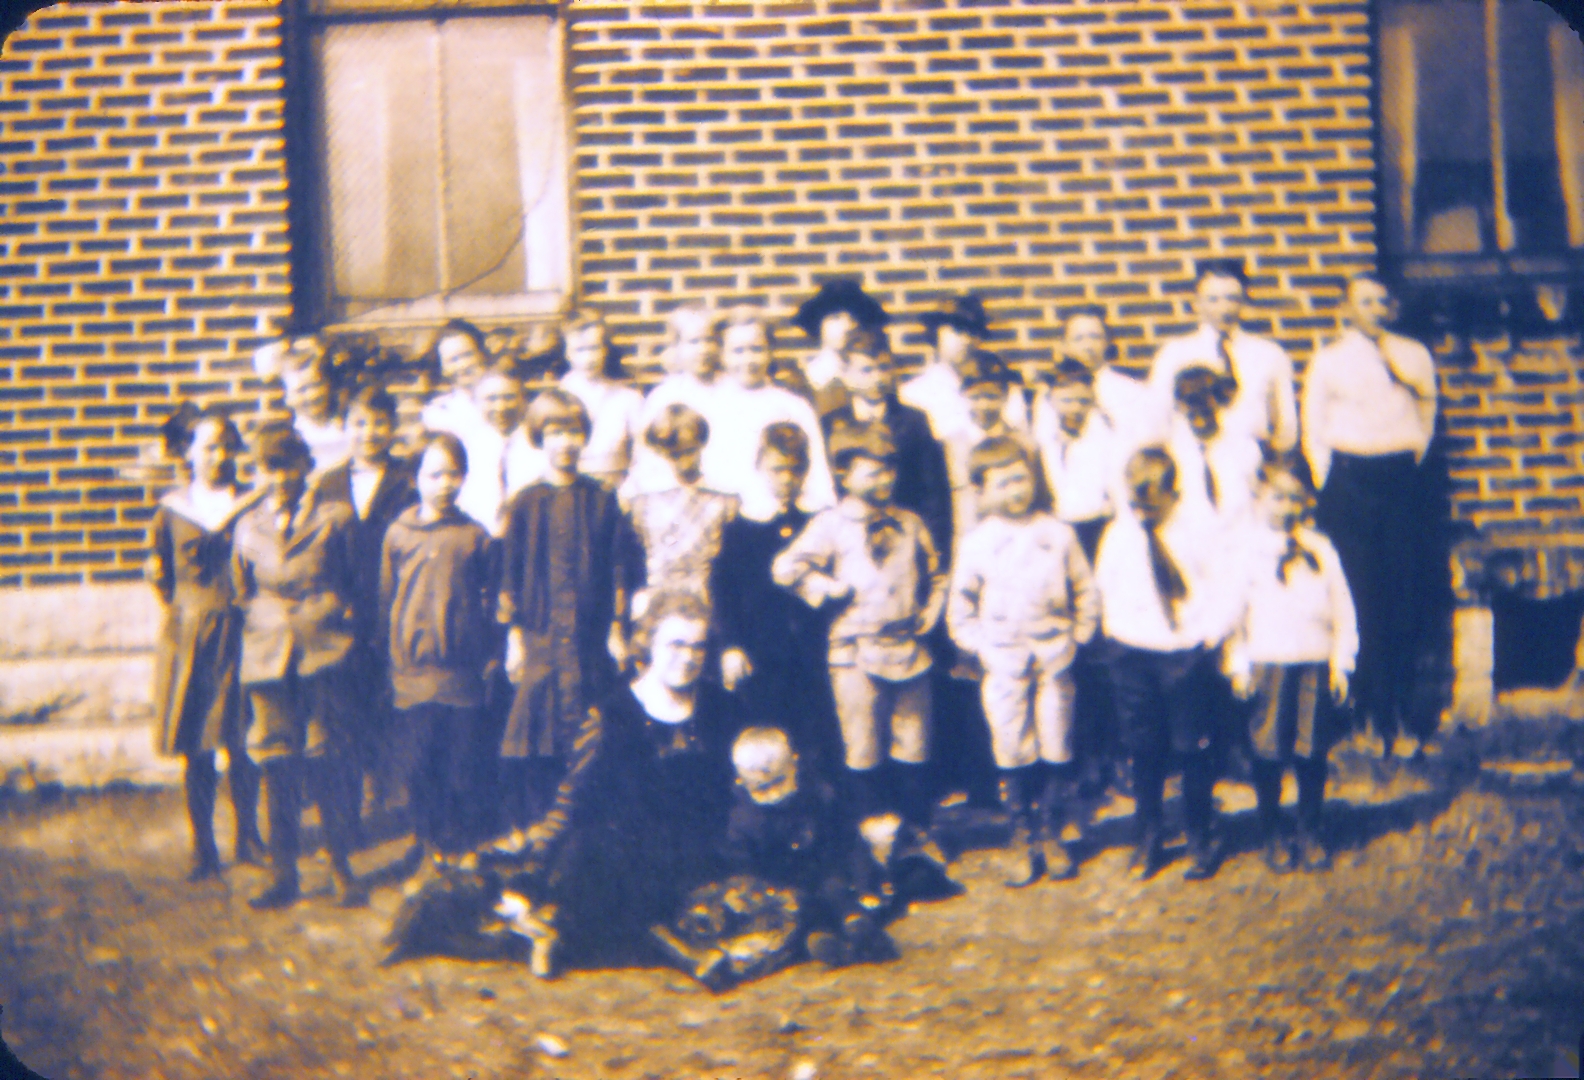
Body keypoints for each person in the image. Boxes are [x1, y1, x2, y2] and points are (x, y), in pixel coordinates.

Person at [484, 592, 738, 979]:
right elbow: (572, 800)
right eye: (676, 644)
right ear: (647, 643)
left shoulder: (721, 707)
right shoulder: (612, 714)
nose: (688, 658)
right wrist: (533, 871)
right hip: (629, 856)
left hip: (697, 855)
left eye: (698, 648)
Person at [772, 425, 950, 864]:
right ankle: (873, 838)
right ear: (844, 474)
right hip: (854, 652)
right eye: (872, 473)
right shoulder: (831, 524)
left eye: (889, 472)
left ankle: (916, 831)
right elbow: (784, 567)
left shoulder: (909, 522)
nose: (883, 481)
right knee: (863, 745)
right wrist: (825, 586)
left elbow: (939, 572)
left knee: (914, 743)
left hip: (909, 648)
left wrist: (933, 609)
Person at [947, 437, 1100, 886]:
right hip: (1004, 658)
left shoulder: (1058, 533)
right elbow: (961, 608)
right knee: (1012, 743)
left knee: (1055, 740)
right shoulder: (977, 543)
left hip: (1054, 653)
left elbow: (1085, 589)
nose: (1017, 490)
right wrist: (983, 648)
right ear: (982, 491)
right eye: (1004, 482)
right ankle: (1021, 834)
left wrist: (1080, 634)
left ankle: (1052, 830)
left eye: (1023, 478)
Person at [1301, 272, 1438, 760]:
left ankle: (1398, 711)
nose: (1377, 309)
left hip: (1400, 479)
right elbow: (1313, 428)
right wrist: (1331, 482)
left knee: (1403, 592)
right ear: (1347, 308)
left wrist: (1409, 458)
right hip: (1350, 482)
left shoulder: (1413, 354)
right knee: (1360, 594)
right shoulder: (1329, 359)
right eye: (1366, 301)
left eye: (1384, 301)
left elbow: (1426, 410)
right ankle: (1364, 712)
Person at [1093, 447, 1245, 882]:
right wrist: (1116, 641)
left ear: (1174, 492)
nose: (1141, 510)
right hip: (1133, 653)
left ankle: (1199, 832)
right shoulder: (1120, 535)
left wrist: (1207, 639)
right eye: (1134, 501)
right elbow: (1105, 588)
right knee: (1144, 748)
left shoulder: (1201, 529)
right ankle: (1149, 834)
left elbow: (1228, 588)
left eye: (1151, 501)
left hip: (1184, 654)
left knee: (1189, 747)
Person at [232, 422, 366, 909]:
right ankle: (282, 871)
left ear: (306, 467)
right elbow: (241, 590)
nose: (281, 479)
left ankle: (339, 867)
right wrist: (269, 620)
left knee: (326, 755)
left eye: (289, 467)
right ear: (258, 473)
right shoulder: (248, 527)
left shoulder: (336, 517)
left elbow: (354, 580)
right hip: (267, 652)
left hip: (322, 648)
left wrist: (328, 616)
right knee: (276, 759)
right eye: (270, 469)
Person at [497, 389, 639, 834]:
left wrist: (616, 629)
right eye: (555, 432)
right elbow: (510, 574)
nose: (565, 442)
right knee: (540, 742)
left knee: (589, 738)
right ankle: (537, 835)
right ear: (540, 438)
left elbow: (617, 567)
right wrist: (513, 638)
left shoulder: (601, 498)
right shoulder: (525, 503)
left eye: (574, 432)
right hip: (539, 640)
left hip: (589, 639)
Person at [147, 404, 265, 881]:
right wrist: (190, 614)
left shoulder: (250, 504)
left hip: (243, 631)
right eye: (207, 447)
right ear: (187, 453)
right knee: (198, 746)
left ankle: (249, 837)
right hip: (193, 636)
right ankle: (204, 846)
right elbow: (161, 577)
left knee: (244, 740)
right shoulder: (173, 510)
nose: (218, 456)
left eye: (224, 445)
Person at [1226, 455, 1358, 873]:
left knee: (1311, 749)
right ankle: (1271, 830)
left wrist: (1342, 661)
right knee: (1268, 749)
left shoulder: (1320, 548)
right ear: (1258, 496)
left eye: (1295, 499)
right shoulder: (1245, 550)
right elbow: (1234, 615)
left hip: (1313, 661)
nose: (1285, 508)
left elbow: (1343, 607)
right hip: (1269, 662)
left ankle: (1310, 829)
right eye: (1277, 497)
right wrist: (1239, 665)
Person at [379, 432, 499, 867]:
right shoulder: (398, 533)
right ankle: (423, 839)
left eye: (453, 473)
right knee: (417, 763)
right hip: (412, 671)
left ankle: (454, 846)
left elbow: (490, 597)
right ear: (416, 479)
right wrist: (394, 654)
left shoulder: (473, 535)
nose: (445, 483)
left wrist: (485, 653)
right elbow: (386, 597)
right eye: (434, 474)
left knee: (460, 765)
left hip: (460, 670)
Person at [310, 385, 417, 823]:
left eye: (379, 423)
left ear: (392, 428)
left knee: (389, 708)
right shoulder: (329, 484)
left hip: (393, 610)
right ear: (344, 428)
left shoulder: (408, 480)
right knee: (344, 713)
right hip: (343, 614)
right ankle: (346, 813)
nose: (369, 433)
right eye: (359, 423)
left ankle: (391, 802)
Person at [711, 423, 837, 768]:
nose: (786, 479)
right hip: (762, 649)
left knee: (816, 734)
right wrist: (732, 645)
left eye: (795, 470)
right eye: (777, 469)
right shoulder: (743, 528)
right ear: (760, 469)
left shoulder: (819, 523)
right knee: (766, 730)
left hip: (812, 648)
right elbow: (724, 592)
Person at [819, 326, 953, 558]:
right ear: (846, 375)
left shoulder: (914, 421)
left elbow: (933, 491)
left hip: (905, 531)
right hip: (850, 535)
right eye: (866, 370)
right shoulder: (832, 423)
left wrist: (937, 546)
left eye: (884, 368)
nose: (877, 378)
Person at [1148, 258, 1298, 453]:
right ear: (1197, 304)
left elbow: (1286, 425)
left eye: (1232, 298)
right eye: (1213, 299)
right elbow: (1157, 416)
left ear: (1244, 301)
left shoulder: (1269, 355)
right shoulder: (1174, 354)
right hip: (1193, 462)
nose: (1224, 308)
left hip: (1252, 460)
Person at [703, 307, 836, 521]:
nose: (748, 360)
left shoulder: (792, 406)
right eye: (738, 351)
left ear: (770, 352)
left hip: (785, 516)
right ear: (721, 355)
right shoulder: (709, 405)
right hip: (726, 520)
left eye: (756, 349)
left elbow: (817, 471)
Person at [628, 403, 739, 618]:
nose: (683, 462)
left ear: (701, 444)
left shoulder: (721, 499)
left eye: (690, 451)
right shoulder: (644, 500)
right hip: (657, 594)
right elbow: (634, 557)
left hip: (707, 596)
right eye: (674, 455)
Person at [942, 349, 1043, 558]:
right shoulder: (953, 445)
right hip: (972, 537)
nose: (984, 405)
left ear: (1005, 396)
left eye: (991, 396)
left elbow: (1039, 498)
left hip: (1019, 539)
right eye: (976, 397)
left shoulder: (1024, 443)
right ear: (963, 396)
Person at [901, 294, 1029, 442]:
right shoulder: (913, 394)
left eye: (973, 331)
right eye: (957, 330)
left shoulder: (1004, 389)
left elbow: (1019, 441)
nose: (966, 339)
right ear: (936, 333)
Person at [626, 304, 720, 499]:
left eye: (709, 340)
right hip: (674, 493)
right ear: (676, 347)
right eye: (694, 342)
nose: (703, 349)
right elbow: (648, 458)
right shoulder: (664, 396)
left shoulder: (729, 390)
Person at [1035, 357, 1121, 564]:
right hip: (1058, 523)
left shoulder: (1103, 437)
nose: (1075, 408)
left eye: (1083, 401)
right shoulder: (1045, 439)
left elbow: (1112, 480)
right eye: (1066, 401)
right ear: (1051, 400)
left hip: (1096, 522)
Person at [1044, 304, 1160, 451]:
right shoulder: (1049, 396)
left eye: (1095, 337)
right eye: (1078, 338)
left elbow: (1147, 440)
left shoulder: (1131, 391)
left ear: (1107, 342)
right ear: (1064, 345)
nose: (1088, 346)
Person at [1166, 365, 1264, 533]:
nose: (1197, 411)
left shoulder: (1245, 450)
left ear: (1220, 402)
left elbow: (1257, 506)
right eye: (1190, 402)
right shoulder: (1171, 455)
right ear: (1179, 405)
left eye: (1205, 402)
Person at [555, 310, 644, 489]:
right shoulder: (557, 399)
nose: (588, 358)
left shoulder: (628, 399)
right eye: (579, 350)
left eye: (594, 348)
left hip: (616, 489)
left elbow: (643, 455)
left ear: (605, 349)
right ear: (567, 353)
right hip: (569, 490)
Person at [454, 365, 544, 537]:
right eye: (491, 399)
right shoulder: (466, 447)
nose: (500, 407)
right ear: (476, 402)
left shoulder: (539, 445)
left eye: (509, 397)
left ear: (524, 400)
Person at [792, 279, 889, 414]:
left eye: (853, 319)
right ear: (819, 325)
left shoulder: (876, 377)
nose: (847, 326)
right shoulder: (804, 380)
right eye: (836, 318)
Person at [277, 337, 351, 470]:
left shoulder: (349, 430)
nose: (311, 396)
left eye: (316, 385)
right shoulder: (289, 438)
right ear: (288, 396)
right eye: (301, 390)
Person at [419, 319, 491, 439]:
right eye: (453, 360)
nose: (462, 365)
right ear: (443, 369)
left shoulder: (503, 402)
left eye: (468, 355)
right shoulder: (438, 414)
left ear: (482, 355)